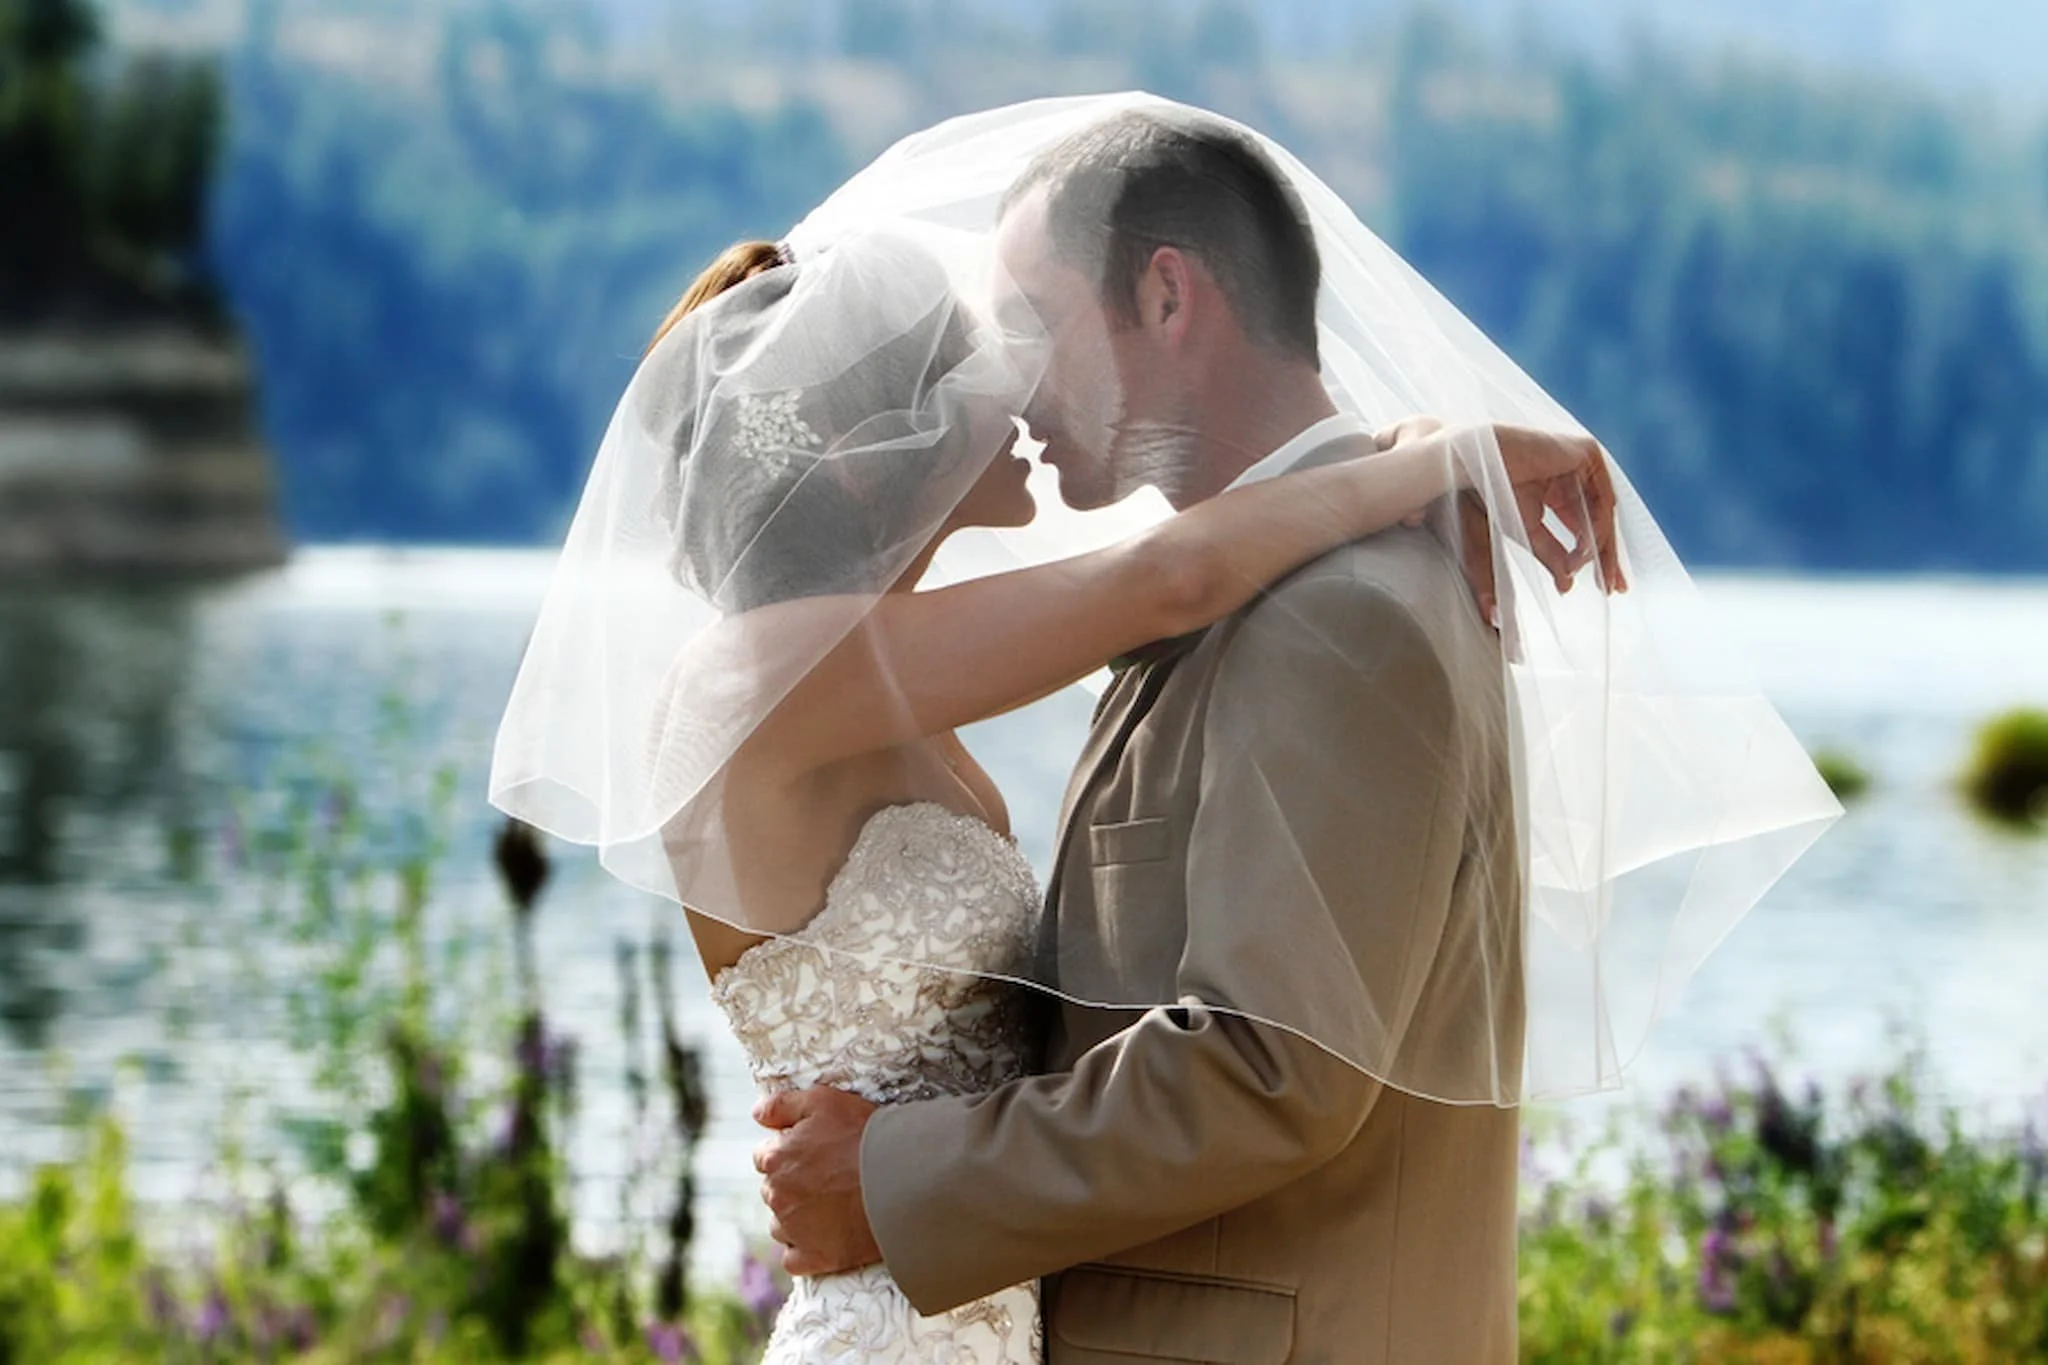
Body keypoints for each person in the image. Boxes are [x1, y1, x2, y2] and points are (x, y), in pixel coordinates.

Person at [751, 101, 1837, 1364]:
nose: (1013, 386)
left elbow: (1270, 1066)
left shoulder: (1338, 617)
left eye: (1036, 328)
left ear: (1167, 298)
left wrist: (890, 1177)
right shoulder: (1304, 583)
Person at [491, 210, 1615, 1363]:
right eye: (964, 365)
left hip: (991, 1311)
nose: (1017, 386)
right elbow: (1171, 577)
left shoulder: (896, 688)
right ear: (861, 450)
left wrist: (1395, 458)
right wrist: (1435, 460)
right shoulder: (752, 680)